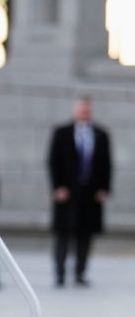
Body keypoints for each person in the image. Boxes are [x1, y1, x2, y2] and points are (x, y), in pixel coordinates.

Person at [47, 96, 112, 287]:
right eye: (82, 108)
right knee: (63, 234)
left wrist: (104, 188)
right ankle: (60, 274)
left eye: (87, 109)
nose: (85, 112)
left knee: (86, 234)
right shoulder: (62, 133)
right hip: (67, 192)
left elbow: (106, 164)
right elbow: (53, 161)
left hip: (90, 194)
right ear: (75, 110)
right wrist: (57, 187)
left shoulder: (101, 134)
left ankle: (80, 273)